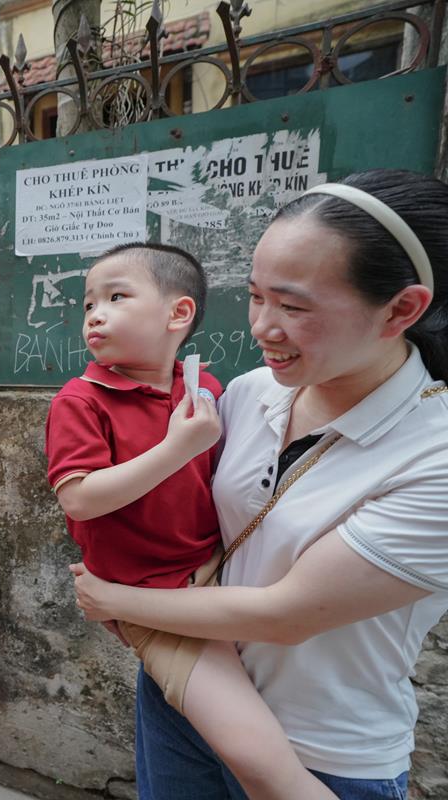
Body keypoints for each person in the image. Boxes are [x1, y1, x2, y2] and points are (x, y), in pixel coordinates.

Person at [72, 169, 448, 799]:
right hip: (185, 692)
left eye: (293, 307)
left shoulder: (432, 454)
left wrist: (112, 600)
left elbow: (286, 615)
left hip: (318, 749)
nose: (262, 327)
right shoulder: (247, 394)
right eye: (255, 297)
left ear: (401, 309)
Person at [47, 243, 334, 799]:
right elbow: (79, 500)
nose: (95, 315)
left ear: (178, 313)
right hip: (147, 596)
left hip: (214, 577)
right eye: (88, 304)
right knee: (255, 753)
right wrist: (178, 446)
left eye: (116, 297)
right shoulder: (82, 400)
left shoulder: (207, 391)